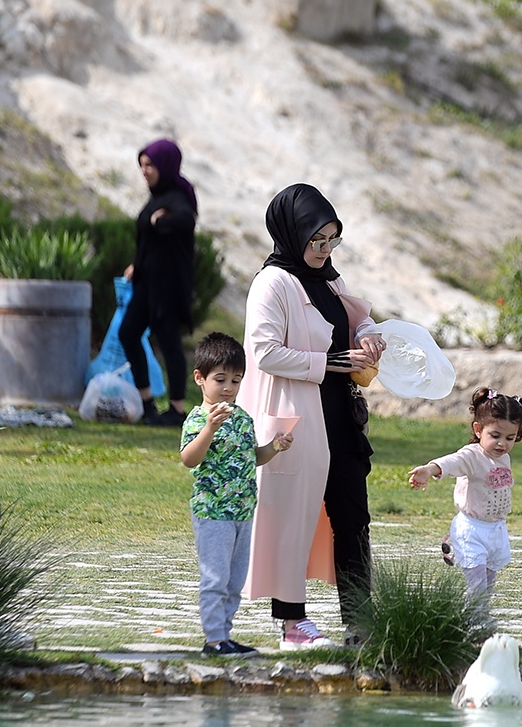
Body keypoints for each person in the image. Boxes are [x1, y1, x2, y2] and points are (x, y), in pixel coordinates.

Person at [237, 183, 385, 650]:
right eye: (316, 241)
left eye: (332, 240)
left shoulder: (330, 279)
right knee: (291, 515)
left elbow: (353, 319)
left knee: (353, 517)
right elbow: (263, 352)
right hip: (295, 418)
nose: (324, 250)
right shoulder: (273, 283)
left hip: (339, 416)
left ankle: (360, 620)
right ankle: (292, 623)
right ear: (291, 234)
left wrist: (368, 335)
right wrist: (329, 363)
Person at [179, 331, 293, 657]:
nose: (228, 387)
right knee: (215, 578)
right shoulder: (199, 419)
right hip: (213, 512)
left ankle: (225, 636)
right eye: (220, 379)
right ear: (200, 378)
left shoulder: (241, 417)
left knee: (233, 581)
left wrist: (274, 447)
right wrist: (209, 429)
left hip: (243, 511)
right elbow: (189, 458)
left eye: (236, 380)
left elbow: (251, 457)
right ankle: (213, 640)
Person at [409, 388, 522, 598]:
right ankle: (470, 621)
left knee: (488, 584)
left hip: (495, 529)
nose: (502, 443)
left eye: (510, 437)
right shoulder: (472, 455)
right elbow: (452, 461)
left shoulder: (503, 457)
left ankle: (480, 619)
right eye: (495, 435)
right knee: (477, 583)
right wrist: (430, 469)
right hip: (471, 529)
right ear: (479, 429)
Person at [121, 138, 196, 427]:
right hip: (146, 284)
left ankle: (177, 409)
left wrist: (158, 222)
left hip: (167, 288)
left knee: (169, 344)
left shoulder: (177, 196)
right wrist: (136, 265)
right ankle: (147, 403)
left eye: (150, 164)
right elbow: (149, 244)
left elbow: (186, 222)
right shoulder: (156, 196)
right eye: (141, 165)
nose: (144, 170)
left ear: (165, 165)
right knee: (129, 333)